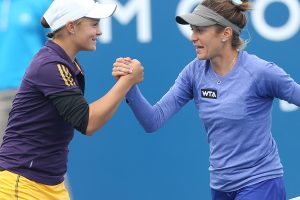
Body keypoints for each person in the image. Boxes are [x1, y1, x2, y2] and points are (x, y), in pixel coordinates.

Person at [112, 0, 300, 199]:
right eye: (193, 30)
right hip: (220, 186)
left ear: (226, 34)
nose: (193, 37)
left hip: (261, 183)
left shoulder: (261, 72)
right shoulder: (193, 73)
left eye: (200, 30)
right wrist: (128, 85)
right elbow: (153, 121)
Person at [0, 0, 143, 199]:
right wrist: (125, 83)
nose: (99, 32)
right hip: (22, 186)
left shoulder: (62, 62)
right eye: (94, 24)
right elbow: (88, 122)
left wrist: (124, 83)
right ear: (71, 27)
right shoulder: (50, 65)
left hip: (49, 186)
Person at [0, 0, 52, 145]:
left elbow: (55, 46)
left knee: (36, 157)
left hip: (32, 93)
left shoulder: (41, 3)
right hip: (2, 95)